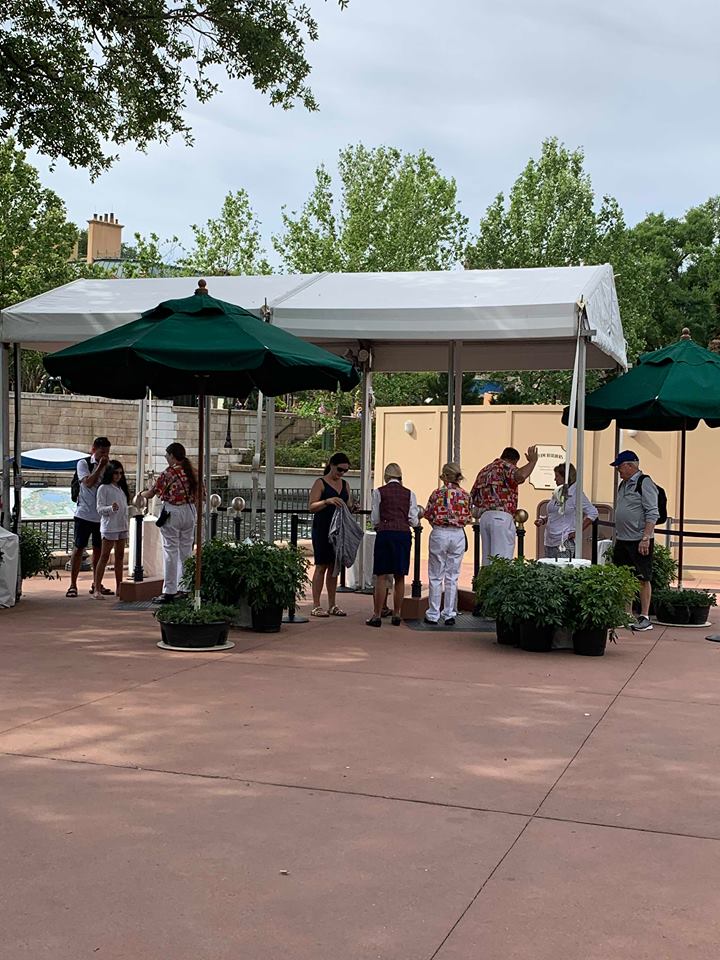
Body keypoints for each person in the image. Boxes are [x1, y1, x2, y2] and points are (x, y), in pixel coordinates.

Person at [141, 442, 198, 604]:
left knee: (170, 551)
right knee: (186, 551)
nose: (166, 457)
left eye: (167, 455)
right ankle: (185, 587)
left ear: (172, 456)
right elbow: (201, 494)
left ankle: (169, 591)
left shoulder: (169, 473)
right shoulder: (193, 472)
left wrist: (140, 494)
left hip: (173, 512)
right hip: (190, 511)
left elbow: (151, 493)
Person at [610, 450, 659, 632]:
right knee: (625, 578)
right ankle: (627, 614)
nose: (618, 471)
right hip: (623, 539)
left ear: (630, 465)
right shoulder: (623, 484)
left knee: (642, 578)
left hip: (639, 539)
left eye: (620, 467)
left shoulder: (644, 482)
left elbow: (652, 512)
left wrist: (645, 538)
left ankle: (645, 617)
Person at [366, 462, 419, 628]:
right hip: (403, 534)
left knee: (381, 575)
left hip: (385, 533)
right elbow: (413, 520)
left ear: (386, 476)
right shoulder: (409, 493)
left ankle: (377, 615)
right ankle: (397, 614)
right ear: (400, 476)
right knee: (400, 576)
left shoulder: (378, 492)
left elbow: (375, 518)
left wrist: (380, 524)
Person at [471, 445, 539, 566]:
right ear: (513, 461)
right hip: (501, 517)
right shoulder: (505, 466)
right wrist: (532, 462)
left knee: (487, 560)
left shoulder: (484, 470)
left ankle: (486, 578)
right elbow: (520, 476)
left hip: (485, 517)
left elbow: (474, 497)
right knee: (502, 560)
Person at [423, 462, 472, 626]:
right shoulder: (465, 495)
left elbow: (428, 514)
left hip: (439, 532)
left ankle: (433, 613)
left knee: (436, 575)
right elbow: (468, 517)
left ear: (444, 476)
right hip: (457, 534)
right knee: (452, 576)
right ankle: (449, 613)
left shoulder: (437, 494)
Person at [308, 452, 354, 618]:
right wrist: (327, 501)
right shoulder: (320, 483)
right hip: (322, 528)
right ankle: (316, 605)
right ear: (332, 465)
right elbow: (311, 506)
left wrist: (352, 507)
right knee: (321, 565)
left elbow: (348, 505)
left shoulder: (345, 485)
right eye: (340, 469)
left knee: (334, 567)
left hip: (338, 530)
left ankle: (332, 604)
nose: (342, 473)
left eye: (345, 471)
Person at [66, 436, 112, 598]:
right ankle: (73, 584)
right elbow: (88, 482)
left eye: (107, 453)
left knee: (99, 551)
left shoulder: (109, 466)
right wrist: (100, 467)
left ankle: (96, 583)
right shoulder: (83, 464)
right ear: (94, 450)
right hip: (84, 514)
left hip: (101, 516)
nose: (104, 456)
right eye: (101, 452)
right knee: (79, 548)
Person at [535, 462, 598, 559]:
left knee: (562, 567)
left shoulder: (576, 494)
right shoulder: (558, 491)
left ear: (565, 477)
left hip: (564, 541)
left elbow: (593, 513)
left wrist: (577, 531)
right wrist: (543, 520)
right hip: (550, 540)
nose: (555, 479)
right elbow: (556, 513)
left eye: (557, 476)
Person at [93, 460, 130, 599]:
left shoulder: (121, 488)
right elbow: (99, 509)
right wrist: (110, 508)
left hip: (121, 525)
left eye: (120, 473)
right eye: (115, 473)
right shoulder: (103, 488)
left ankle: (119, 586)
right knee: (104, 556)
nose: (118, 476)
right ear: (110, 473)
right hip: (109, 526)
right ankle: (97, 588)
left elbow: (125, 507)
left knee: (119, 557)